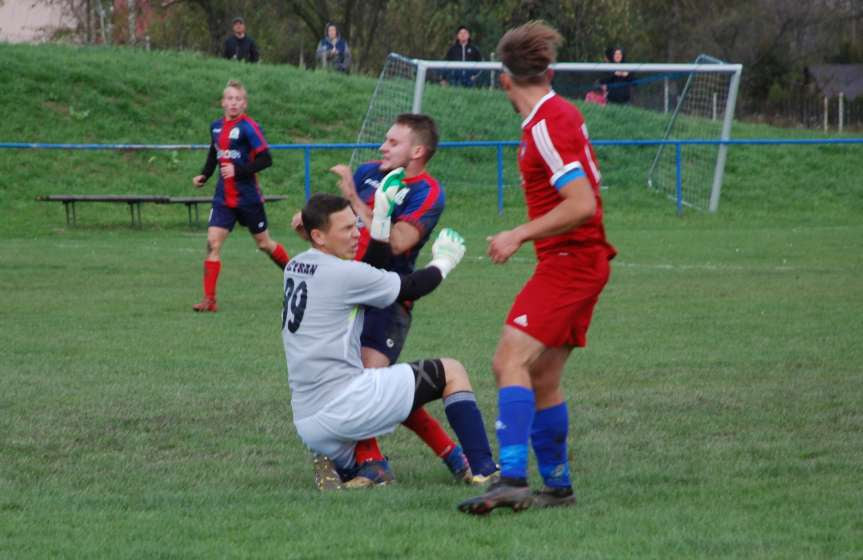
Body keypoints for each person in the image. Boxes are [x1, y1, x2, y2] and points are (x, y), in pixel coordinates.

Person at [458, 21, 616, 515]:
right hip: (576, 260)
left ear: (504, 81)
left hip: (571, 261)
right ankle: (558, 487)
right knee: (542, 375)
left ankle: (510, 480)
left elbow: (583, 202)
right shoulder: (555, 116)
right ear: (547, 71)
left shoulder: (547, 122)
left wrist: (517, 233)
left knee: (509, 362)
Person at [292, 114, 499, 487]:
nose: (382, 148)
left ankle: (372, 463)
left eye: (392, 142)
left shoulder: (427, 192)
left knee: (372, 382)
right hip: (349, 289)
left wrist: (359, 206)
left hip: (386, 297)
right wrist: (313, 220)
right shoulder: (371, 172)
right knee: (374, 387)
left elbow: (398, 242)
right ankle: (383, 464)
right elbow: (338, 216)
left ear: (417, 151)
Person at [191, 80, 290, 312]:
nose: (233, 103)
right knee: (212, 243)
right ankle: (209, 300)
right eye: (230, 99)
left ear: (244, 104)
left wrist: (239, 170)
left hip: (248, 198)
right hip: (223, 198)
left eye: (238, 99)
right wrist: (204, 175)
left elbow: (266, 159)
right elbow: (214, 153)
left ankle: (295, 272)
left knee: (264, 244)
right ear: (223, 102)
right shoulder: (215, 127)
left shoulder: (249, 128)